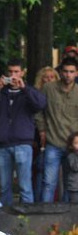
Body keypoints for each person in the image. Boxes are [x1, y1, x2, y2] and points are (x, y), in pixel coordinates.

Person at [0, 59, 46, 206]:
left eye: (16, 72)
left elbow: (40, 105)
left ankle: (28, 216)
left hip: (23, 143)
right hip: (2, 145)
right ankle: (5, 217)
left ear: (22, 73)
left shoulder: (28, 91)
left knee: (25, 187)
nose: (13, 75)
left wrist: (25, 89)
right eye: (10, 72)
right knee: (4, 187)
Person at [36, 57, 78, 202]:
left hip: (72, 146)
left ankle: (66, 214)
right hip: (52, 142)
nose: (68, 75)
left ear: (76, 73)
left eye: (71, 72)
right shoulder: (48, 88)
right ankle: (45, 213)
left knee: (69, 184)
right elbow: (38, 110)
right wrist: (42, 129)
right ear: (60, 72)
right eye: (65, 71)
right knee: (48, 183)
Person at [33, 66, 59, 200]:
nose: (49, 80)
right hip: (38, 138)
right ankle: (38, 202)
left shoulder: (59, 95)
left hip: (56, 137)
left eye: (52, 77)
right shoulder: (35, 95)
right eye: (46, 77)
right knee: (40, 171)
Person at [66, 132, 78, 204]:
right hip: (74, 188)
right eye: (76, 143)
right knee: (74, 207)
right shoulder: (71, 156)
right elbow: (75, 168)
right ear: (71, 146)